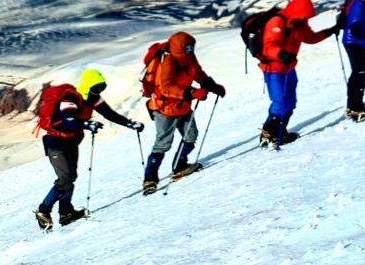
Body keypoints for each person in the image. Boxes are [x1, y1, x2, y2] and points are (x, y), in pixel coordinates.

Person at [35, 69, 143, 230]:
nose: (98, 91)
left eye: (102, 87)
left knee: (71, 176)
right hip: (56, 144)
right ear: (87, 86)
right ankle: (43, 210)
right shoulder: (70, 98)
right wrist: (86, 124)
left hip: (71, 142)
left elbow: (109, 114)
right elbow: (66, 120)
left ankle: (66, 212)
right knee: (65, 179)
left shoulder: (93, 99)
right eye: (96, 88)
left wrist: (129, 123)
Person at [143, 31, 226, 195]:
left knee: (191, 135)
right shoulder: (168, 61)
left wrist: (212, 86)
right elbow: (166, 88)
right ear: (178, 47)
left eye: (191, 47)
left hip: (183, 105)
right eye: (187, 48)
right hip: (165, 109)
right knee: (163, 144)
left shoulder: (189, 58)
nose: (190, 50)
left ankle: (179, 166)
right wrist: (192, 92)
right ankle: (150, 179)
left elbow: (198, 73)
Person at [258, 0, 337, 147]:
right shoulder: (277, 22)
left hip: (289, 67)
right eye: (302, 16)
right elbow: (269, 46)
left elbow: (310, 38)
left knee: (290, 102)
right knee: (279, 102)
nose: (304, 19)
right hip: (273, 69)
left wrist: (330, 31)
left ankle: (281, 133)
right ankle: (267, 133)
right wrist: (282, 54)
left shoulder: (299, 23)